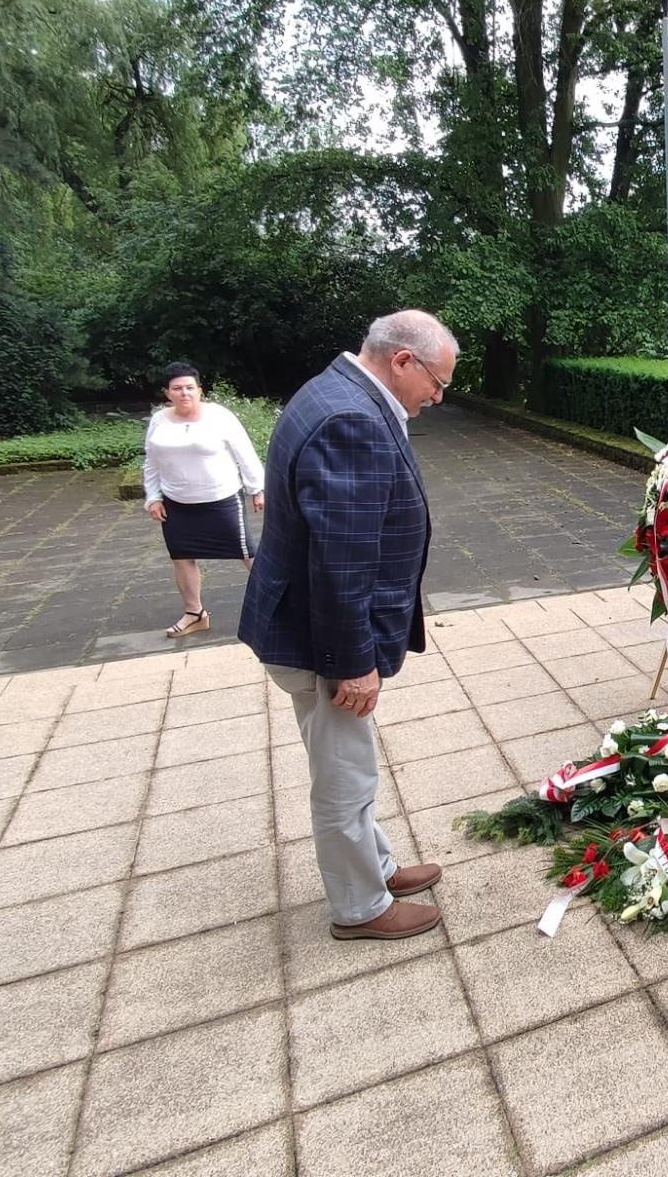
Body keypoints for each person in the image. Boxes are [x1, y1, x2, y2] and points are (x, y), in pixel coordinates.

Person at [239, 310, 456, 941]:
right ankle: (360, 908)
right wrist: (351, 661)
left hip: (303, 622)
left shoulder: (335, 387)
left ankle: (378, 867)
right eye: (437, 385)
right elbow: (340, 559)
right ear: (403, 361)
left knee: (343, 763)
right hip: (319, 638)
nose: (436, 399)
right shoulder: (353, 420)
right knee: (344, 776)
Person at [143, 362, 266, 638]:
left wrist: (257, 488)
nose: (184, 393)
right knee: (182, 556)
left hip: (220, 498)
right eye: (177, 388)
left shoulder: (219, 417)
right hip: (176, 503)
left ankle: (283, 606)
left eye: (190, 387)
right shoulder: (159, 421)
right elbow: (151, 462)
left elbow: (244, 452)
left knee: (247, 553)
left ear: (200, 390)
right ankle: (195, 613)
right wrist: (153, 497)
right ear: (167, 393)